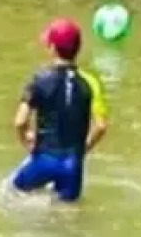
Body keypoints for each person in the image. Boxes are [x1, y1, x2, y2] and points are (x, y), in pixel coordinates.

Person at [10, 19, 109, 204]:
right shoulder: (90, 82)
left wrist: (27, 142)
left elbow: (20, 121)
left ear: (52, 48)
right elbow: (101, 126)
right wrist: (82, 150)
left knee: (13, 195)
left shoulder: (39, 80)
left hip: (45, 158)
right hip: (73, 165)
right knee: (67, 215)